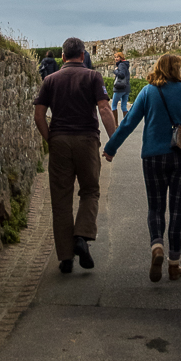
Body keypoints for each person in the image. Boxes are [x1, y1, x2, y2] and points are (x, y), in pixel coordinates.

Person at [103, 53, 181, 283]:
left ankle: (157, 246)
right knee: (178, 209)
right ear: (176, 69)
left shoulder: (148, 91)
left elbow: (128, 122)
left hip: (152, 157)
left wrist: (111, 147)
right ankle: (174, 264)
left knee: (156, 207)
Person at [34, 36, 115, 274]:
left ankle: (66, 258)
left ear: (62, 57)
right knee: (90, 190)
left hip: (59, 140)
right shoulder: (92, 76)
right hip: (87, 140)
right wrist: (115, 141)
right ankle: (82, 235)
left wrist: (52, 140)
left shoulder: (50, 80)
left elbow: (39, 116)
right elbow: (104, 109)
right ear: (82, 55)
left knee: (61, 200)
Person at [111, 51, 131, 126]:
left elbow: (121, 75)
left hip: (120, 88)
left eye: (117, 57)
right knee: (123, 106)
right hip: (126, 88)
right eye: (115, 57)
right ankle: (127, 124)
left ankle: (115, 124)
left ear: (121, 57)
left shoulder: (121, 65)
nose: (116, 59)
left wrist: (115, 71)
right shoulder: (125, 65)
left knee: (113, 105)